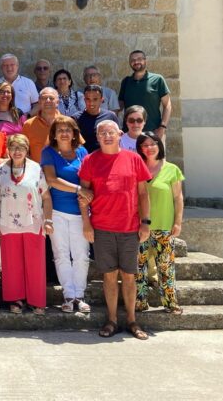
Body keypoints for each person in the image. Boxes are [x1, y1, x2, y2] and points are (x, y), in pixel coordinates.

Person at [78, 120, 152, 340]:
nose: (107, 136)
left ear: (120, 134)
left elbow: (143, 194)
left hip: (130, 228)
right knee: (109, 277)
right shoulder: (90, 160)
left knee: (129, 277)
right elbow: (83, 195)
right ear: (97, 137)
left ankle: (131, 320)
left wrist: (145, 222)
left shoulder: (134, 159)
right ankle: (111, 320)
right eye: (102, 133)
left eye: (111, 132)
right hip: (102, 228)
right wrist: (86, 223)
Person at [0, 133, 53, 315]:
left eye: (21, 147)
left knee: (35, 263)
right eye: (13, 147)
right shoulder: (1, 170)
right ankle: (16, 299)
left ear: (27, 149)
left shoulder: (36, 168)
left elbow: (46, 197)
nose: (17, 151)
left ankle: (36, 301)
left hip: (33, 221)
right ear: (8, 150)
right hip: (8, 222)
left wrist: (48, 220)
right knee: (12, 264)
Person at [40, 117, 92, 313]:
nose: (64, 133)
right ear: (53, 134)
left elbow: (88, 181)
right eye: (60, 130)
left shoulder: (82, 152)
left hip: (80, 212)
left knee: (81, 255)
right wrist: (78, 189)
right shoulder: (48, 152)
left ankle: (80, 295)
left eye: (68, 130)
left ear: (74, 133)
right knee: (61, 255)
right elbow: (52, 180)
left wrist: (83, 194)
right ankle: (68, 296)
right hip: (57, 211)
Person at [135, 131, 185, 315]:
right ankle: (139, 302)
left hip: (164, 225)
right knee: (138, 267)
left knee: (165, 266)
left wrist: (178, 222)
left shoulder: (172, 169)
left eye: (152, 144)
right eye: (144, 145)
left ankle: (171, 303)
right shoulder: (136, 167)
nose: (149, 148)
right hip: (140, 226)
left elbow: (178, 198)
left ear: (159, 145)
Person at [119, 50, 172, 139]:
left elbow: (167, 105)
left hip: (153, 133)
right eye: (132, 60)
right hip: (129, 134)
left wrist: (162, 127)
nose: (136, 62)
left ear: (145, 60)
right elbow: (119, 106)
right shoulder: (126, 82)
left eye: (139, 59)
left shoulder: (157, 79)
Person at [72, 85, 119, 153]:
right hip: (85, 159)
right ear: (84, 100)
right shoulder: (75, 119)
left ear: (102, 100)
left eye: (95, 99)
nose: (91, 103)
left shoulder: (111, 117)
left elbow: (117, 139)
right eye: (88, 99)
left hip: (107, 157)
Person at [21, 88, 63, 164]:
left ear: (57, 102)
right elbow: (23, 150)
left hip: (63, 172)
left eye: (51, 98)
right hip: (37, 172)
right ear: (39, 102)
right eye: (44, 98)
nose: (47, 100)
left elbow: (77, 148)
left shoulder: (67, 123)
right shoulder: (28, 125)